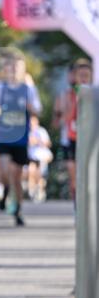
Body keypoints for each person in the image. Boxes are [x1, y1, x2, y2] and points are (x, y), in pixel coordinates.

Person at [0, 51, 41, 226]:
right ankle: (5, 190)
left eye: (17, 67)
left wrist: (31, 107)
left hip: (21, 139)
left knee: (16, 176)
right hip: (4, 136)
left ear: (22, 69)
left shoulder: (28, 88)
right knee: (5, 170)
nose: (13, 70)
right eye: (11, 67)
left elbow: (38, 110)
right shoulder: (1, 87)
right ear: (6, 69)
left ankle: (18, 210)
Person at [54, 58, 92, 205]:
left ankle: (88, 203)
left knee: (88, 174)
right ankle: (77, 203)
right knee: (73, 174)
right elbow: (61, 120)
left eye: (86, 76)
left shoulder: (94, 94)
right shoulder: (68, 94)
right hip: (72, 138)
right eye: (80, 75)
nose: (83, 79)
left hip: (89, 140)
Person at [27, 114, 53, 202]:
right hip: (32, 156)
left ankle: (40, 190)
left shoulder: (41, 131)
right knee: (31, 172)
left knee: (40, 174)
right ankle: (32, 191)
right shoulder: (27, 132)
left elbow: (48, 143)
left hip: (42, 157)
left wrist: (39, 141)